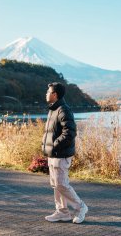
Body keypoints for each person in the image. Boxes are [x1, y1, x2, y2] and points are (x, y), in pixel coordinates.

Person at [42, 82, 88, 224]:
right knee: (56, 185)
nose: (46, 94)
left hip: (60, 155)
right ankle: (62, 212)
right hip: (53, 154)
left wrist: (55, 146)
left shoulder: (63, 110)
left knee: (62, 184)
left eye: (48, 92)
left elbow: (70, 133)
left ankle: (81, 207)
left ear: (54, 94)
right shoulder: (53, 109)